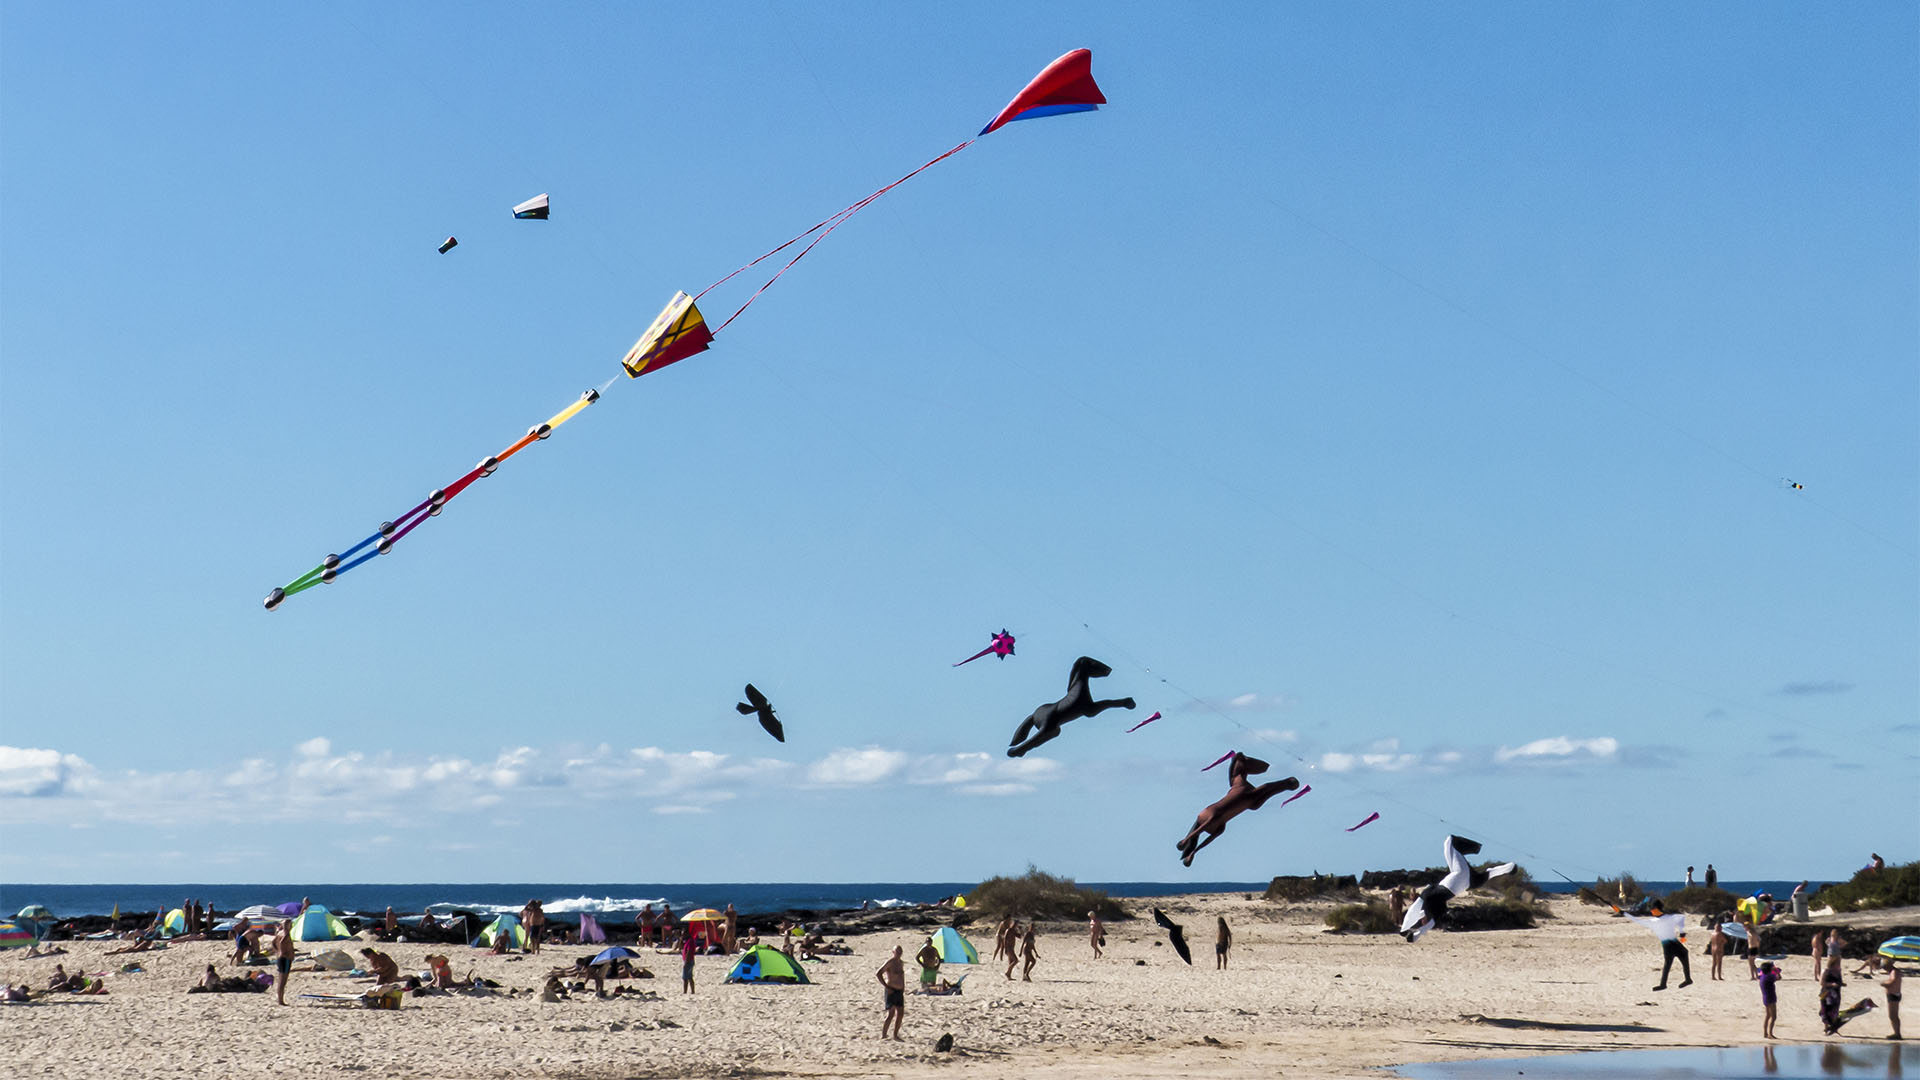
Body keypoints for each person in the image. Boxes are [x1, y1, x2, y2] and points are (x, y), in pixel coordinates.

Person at [877, 946, 906, 1041]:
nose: (899, 953)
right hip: (891, 989)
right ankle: (884, 1034)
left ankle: (895, 1034)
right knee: (891, 1013)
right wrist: (886, 986)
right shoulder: (890, 962)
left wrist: (903, 987)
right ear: (893, 952)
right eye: (897, 951)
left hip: (899, 991)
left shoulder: (900, 963)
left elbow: (902, 976)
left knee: (900, 1013)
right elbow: (879, 973)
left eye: (900, 951)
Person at [272, 918, 295, 1006]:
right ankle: (281, 1000)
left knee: (281, 979)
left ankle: (280, 999)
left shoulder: (279, 933)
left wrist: (277, 951)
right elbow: (282, 942)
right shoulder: (286, 934)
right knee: (283, 980)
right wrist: (282, 951)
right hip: (285, 958)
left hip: (281, 957)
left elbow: (273, 942)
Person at [1820, 956, 1845, 1034]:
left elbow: (1839, 981)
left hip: (1836, 994)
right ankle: (1826, 1028)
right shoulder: (1826, 971)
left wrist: (1841, 984)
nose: (1839, 965)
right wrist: (1831, 984)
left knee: (1834, 1011)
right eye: (1838, 963)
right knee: (1826, 1010)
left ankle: (1834, 1027)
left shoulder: (1838, 971)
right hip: (1826, 994)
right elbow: (1822, 983)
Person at [1759, 961, 1782, 1039]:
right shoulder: (1769, 977)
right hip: (1770, 997)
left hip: (1765, 997)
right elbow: (1779, 978)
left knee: (1768, 1016)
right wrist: (1777, 972)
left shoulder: (1763, 976)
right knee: (1773, 1016)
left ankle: (1765, 1033)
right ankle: (1770, 1034)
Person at [1884, 961, 1903, 1040]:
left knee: (1893, 1015)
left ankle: (1897, 1034)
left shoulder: (1894, 971)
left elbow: (1892, 981)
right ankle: (1896, 1033)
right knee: (1893, 1015)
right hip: (1894, 995)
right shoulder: (1895, 971)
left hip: (1893, 995)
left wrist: (1884, 984)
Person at [680, 924, 698, 994]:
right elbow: (680, 947)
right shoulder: (687, 941)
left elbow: (689, 952)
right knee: (689, 976)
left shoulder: (690, 941)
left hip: (689, 960)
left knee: (686, 977)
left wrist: (686, 962)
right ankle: (691, 991)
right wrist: (681, 940)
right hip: (688, 960)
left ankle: (686, 991)